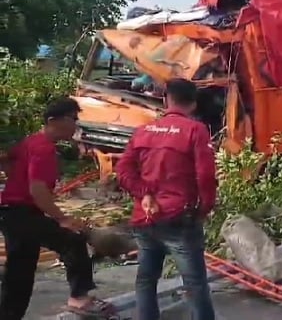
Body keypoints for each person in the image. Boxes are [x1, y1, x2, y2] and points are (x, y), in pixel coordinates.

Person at [0, 97, 118, 319]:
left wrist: (15, 176)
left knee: (20, 272)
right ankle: (79, 298)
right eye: (72, 119)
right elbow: (38, 191)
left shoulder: (31, 142)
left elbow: (7, 160)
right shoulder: (43, 148)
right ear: (54, 121)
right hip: (21, 212)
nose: (75, 125)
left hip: (11, 213)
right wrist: (63, 218)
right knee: (72, 239)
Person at [116, 79, 218, 320]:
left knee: (146, 280)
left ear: (165, 100)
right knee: (194, 283)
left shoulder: (144, 131)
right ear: (193, 104)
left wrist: (145, 194)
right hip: (179, 218)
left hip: (146, 218)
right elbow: (205, 175)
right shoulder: (196, 130)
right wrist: (205, 207)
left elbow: (123, 172)